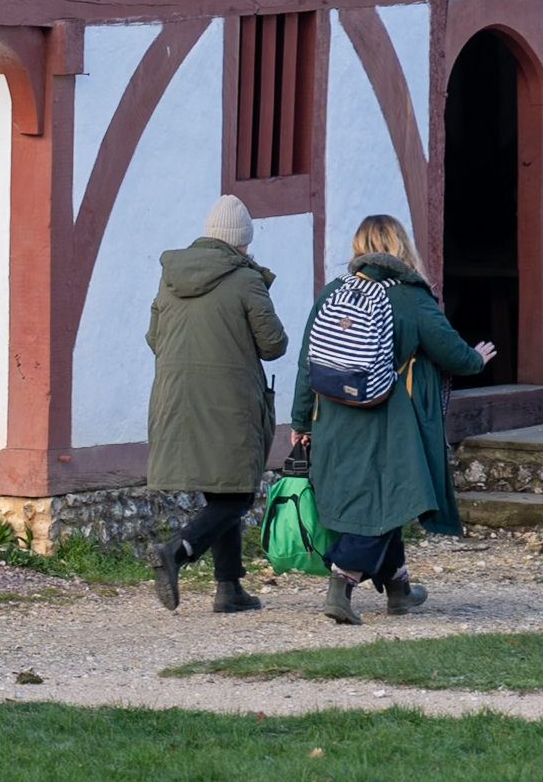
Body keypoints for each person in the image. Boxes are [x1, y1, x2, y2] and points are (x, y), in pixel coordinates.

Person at [289, 215, 493, 624]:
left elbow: (306, 363)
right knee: (387, 499)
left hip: (332, 414)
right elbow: (449, 351)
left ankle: (398, 588)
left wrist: (301, 423)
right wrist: (477, 358)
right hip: (384, 418)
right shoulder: (411, 296)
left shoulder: (334, 292)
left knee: (384, 501)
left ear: (359, 246)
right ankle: (340, 582)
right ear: (401, 246)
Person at [146, 195, 289, 614]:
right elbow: (273, 345)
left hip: (175, 397)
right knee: (239, 494)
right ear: (242, 242)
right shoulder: (246, 280)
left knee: (223, 490)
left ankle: (229, 589)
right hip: (228, 399)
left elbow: (155, 339)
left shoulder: (170, 276)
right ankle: (177, 550)